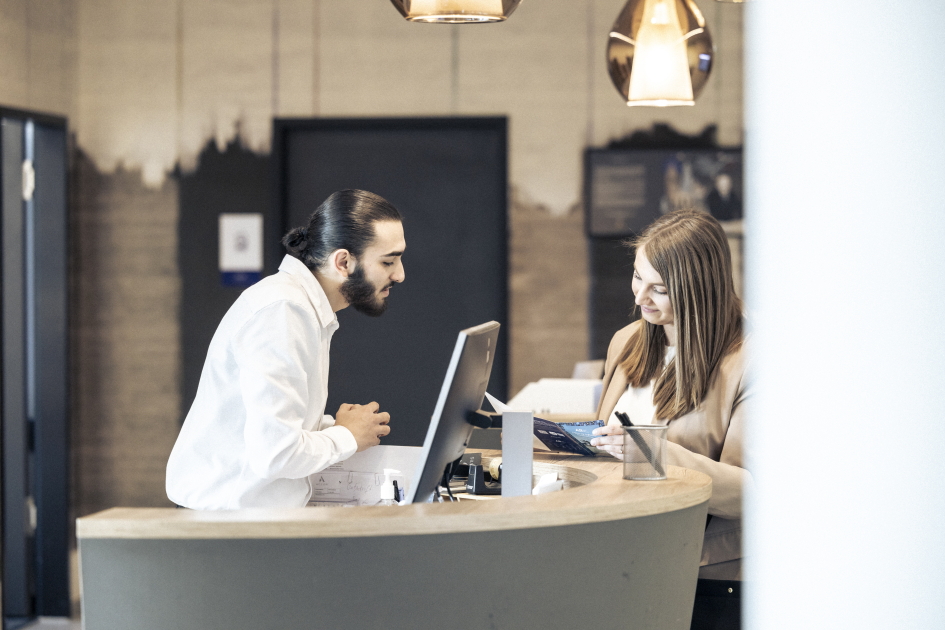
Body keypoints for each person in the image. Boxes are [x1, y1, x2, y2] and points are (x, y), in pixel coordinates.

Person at [166, 189, 406, 510]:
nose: (399, 274)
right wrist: (347, 436)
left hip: (245, 519)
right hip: (226, 524)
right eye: (388, 261)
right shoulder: (282, 312)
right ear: (343, 262)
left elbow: (271, 430)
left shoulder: (300, 307)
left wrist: (336, 428)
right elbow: (276, 454)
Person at [589, 209, 749, 629]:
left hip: (705, 576)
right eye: (637, 276)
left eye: (659, 289)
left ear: (699, 289)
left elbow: (751, 493)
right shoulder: (626, 341)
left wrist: (652, 452)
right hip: (619, 555)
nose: (640, 297)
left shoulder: (753, 360)